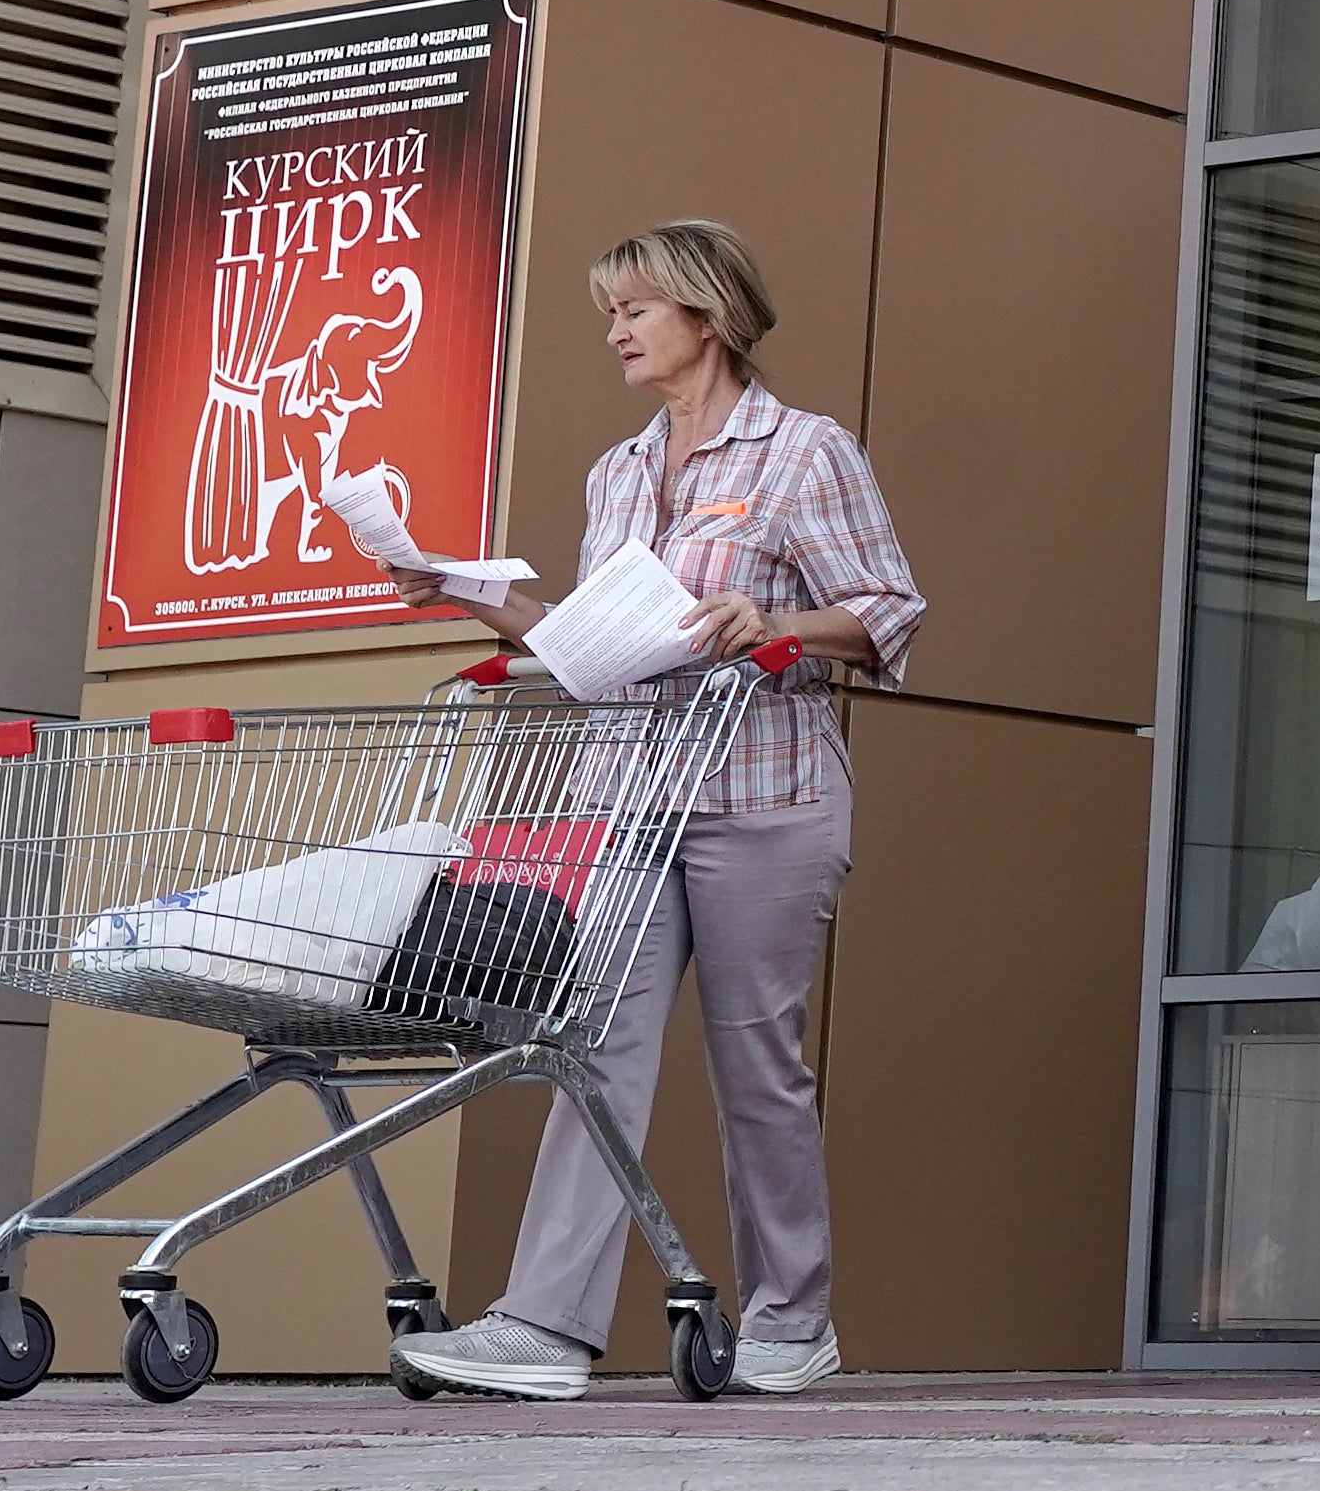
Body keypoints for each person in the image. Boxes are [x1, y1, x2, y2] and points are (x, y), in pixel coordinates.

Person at [386, 220, 923, 1401]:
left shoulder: (804, 453)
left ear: (708, 317)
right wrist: (474, 598)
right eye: (611, 313)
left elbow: (887, 611)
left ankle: (794, 1317)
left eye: (635, 309)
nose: (617, 330)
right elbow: (598, 644)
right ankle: (544, 1325)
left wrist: (773, 627)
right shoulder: (618, 472)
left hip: (763, 800)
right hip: (625, 797)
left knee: (755, 1067)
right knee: (591, 1054)